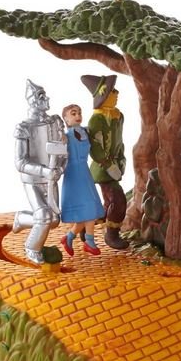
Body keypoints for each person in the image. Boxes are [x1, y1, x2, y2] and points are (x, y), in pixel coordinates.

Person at [12, 80, 67, 265]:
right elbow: (20, 162)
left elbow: (63, 150)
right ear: (33, 100)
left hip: (51, 179)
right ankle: (32, 247)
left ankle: (22, 218)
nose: (46, 99)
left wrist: (59, 169)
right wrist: (44, 171)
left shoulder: (55, 122)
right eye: (41, 96)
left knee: (54, 220)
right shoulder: (24, 128)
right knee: (44, 216)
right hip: (33, 180)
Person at [81, 74, 129, 250]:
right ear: (103, 95)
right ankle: (111, 234)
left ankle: (85, 226)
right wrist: (108, 165)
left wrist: (121, 161)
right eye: (112, 91)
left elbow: (119, 141)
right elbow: (95, 146)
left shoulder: (118, 116)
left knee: (108, 203)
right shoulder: (97, 118)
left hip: (115, 164)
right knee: (118, 200)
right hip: (103, 168)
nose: (116, 93)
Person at [60, 104, 105, 256]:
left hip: (84, 171)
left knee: (86, 211)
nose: (78, 116)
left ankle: (69, 237)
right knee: (89, 208)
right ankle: (89, 241)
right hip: (74, 173)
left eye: (79, 113)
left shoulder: (85, 131)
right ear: (66, 119)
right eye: (73, 113)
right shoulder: (66, 136)